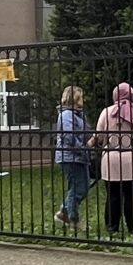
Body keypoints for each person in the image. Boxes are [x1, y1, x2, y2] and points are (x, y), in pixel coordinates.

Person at [94, 81, 133, 235]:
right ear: (132, 95)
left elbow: (99, 137)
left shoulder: (106, 112)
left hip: (112, 159)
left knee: (113, 195)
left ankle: (112, 226)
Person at [52, 85, 92, 224]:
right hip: (70, 156)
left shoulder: (79, 114)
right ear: (74, 98)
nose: (84, 100)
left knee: (83, 187)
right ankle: (73, 219)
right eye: (81, 97)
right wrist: (83, 148)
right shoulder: (66, 115)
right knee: (78, 187)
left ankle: (64, 212)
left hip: (80, 156)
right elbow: (69, 136)